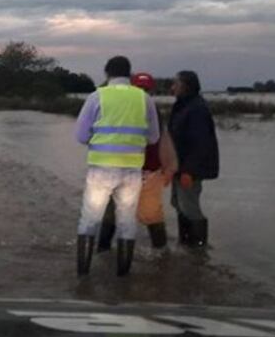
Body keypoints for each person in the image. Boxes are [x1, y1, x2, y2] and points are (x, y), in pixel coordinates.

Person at [74, 56, 160, 276]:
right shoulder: (144, 99)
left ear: (107, 73)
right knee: (126, 222)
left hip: (101, 169)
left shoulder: (97, 97)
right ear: (129, 75)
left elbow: (81, 135)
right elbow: (153, 138)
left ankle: (83, 276)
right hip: (132, 170)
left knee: (90, 220)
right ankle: (123, 278)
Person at [97, 72, 178, 250]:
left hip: (148, 171)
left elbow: (163, 140)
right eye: (139, 88)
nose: (143, 92)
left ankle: (161, 255)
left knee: (152, 214)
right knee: (111, 214)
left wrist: (169, 167)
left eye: (146, 89)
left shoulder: (152, 111)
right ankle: (103, 251)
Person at [168, 70, 219, 247]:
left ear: (185, 86)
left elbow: (201, 143)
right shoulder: (183, 105)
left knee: (189, 207)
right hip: (178, 166)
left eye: (176, 83)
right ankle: (185, 244)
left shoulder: (197, 108)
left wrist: (189, 171)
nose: (172, 87)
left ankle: (198, 249)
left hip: (189, 169)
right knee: (178, 204)